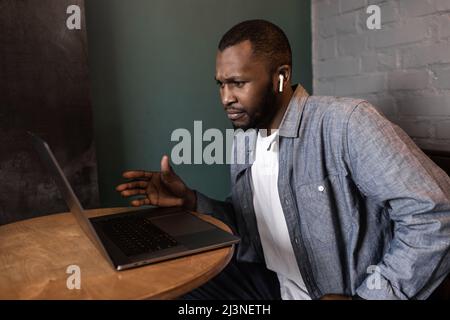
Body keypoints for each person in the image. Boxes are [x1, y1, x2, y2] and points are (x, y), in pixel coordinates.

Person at [115, 20, 450, 300]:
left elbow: (436, 214)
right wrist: (190, 201)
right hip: (272, 285)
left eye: (238, 83)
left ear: (281, 76)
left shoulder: (347, 123)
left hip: (337, 293)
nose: (226, 98)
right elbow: (252, 230)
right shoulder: (245, 139)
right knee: (165, 292)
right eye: (220, 84)